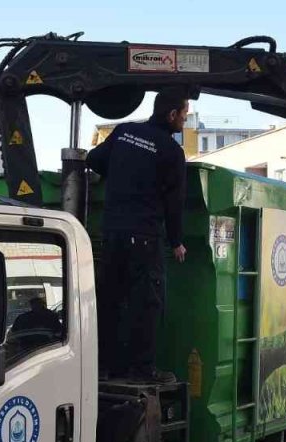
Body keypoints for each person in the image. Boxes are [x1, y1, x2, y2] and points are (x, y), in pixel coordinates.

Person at [86, 87, 189, 383]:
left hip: (112, 234)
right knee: (146, 304)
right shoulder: (171, 152)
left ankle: (106, 367)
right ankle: (143, 370)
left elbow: (94, 159)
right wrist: (177, 241)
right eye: (183, 115)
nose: (184, 120)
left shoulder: (124, 132)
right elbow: (174, 202)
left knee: (110, 301)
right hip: (144, 237)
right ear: (171, 115)